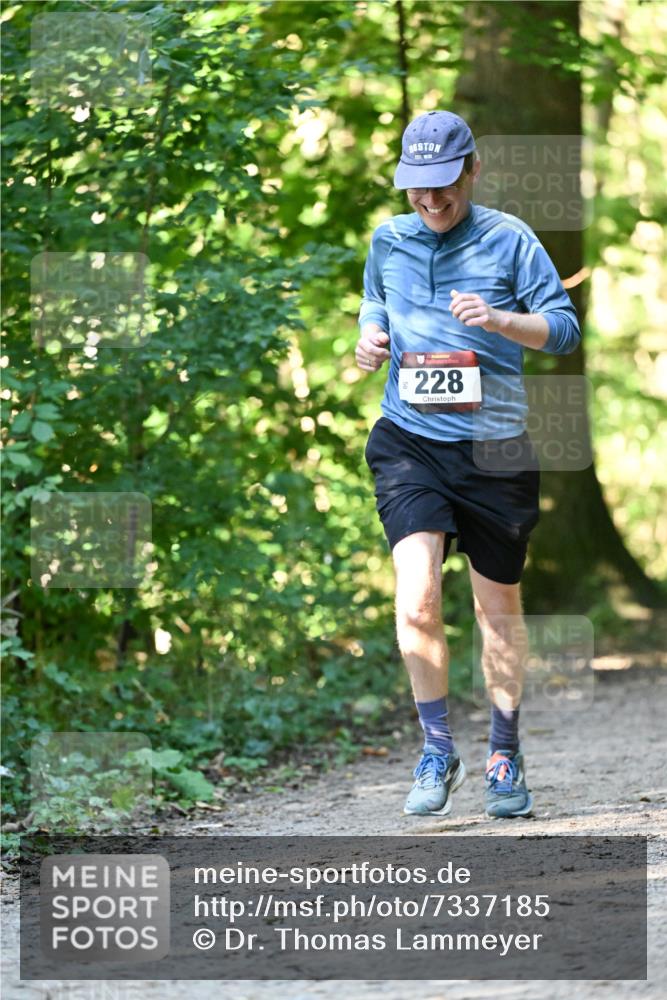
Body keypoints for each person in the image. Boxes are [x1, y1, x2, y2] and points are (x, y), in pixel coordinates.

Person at [356, 110, 581, 818]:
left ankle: (504, 753)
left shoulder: (510, 239)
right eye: (416, 188)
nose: (429, 200)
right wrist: (370, 338)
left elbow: (564, 330)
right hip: (409, 441)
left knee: (495, 609)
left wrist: (500, 320)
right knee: (416, 597)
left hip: (495, 450)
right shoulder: (388, 240)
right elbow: (374, 303)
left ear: (472, 170)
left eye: (443, 186)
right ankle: (436, 748)